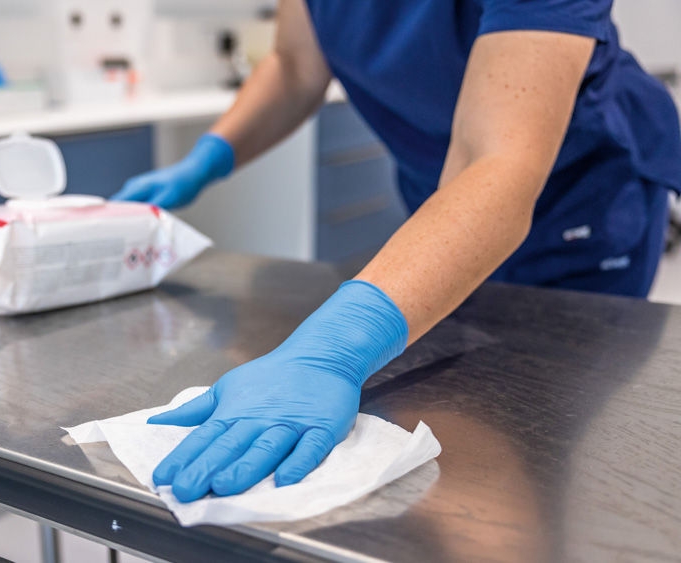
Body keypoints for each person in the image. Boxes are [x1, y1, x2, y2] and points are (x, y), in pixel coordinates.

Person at [110, 0, 681, 502]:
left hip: (577, 207)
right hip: (446, 206)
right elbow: (294, 65)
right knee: (450, 413)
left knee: (543, 432)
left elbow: (497, 161)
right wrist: (209, 157)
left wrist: (329, 348)